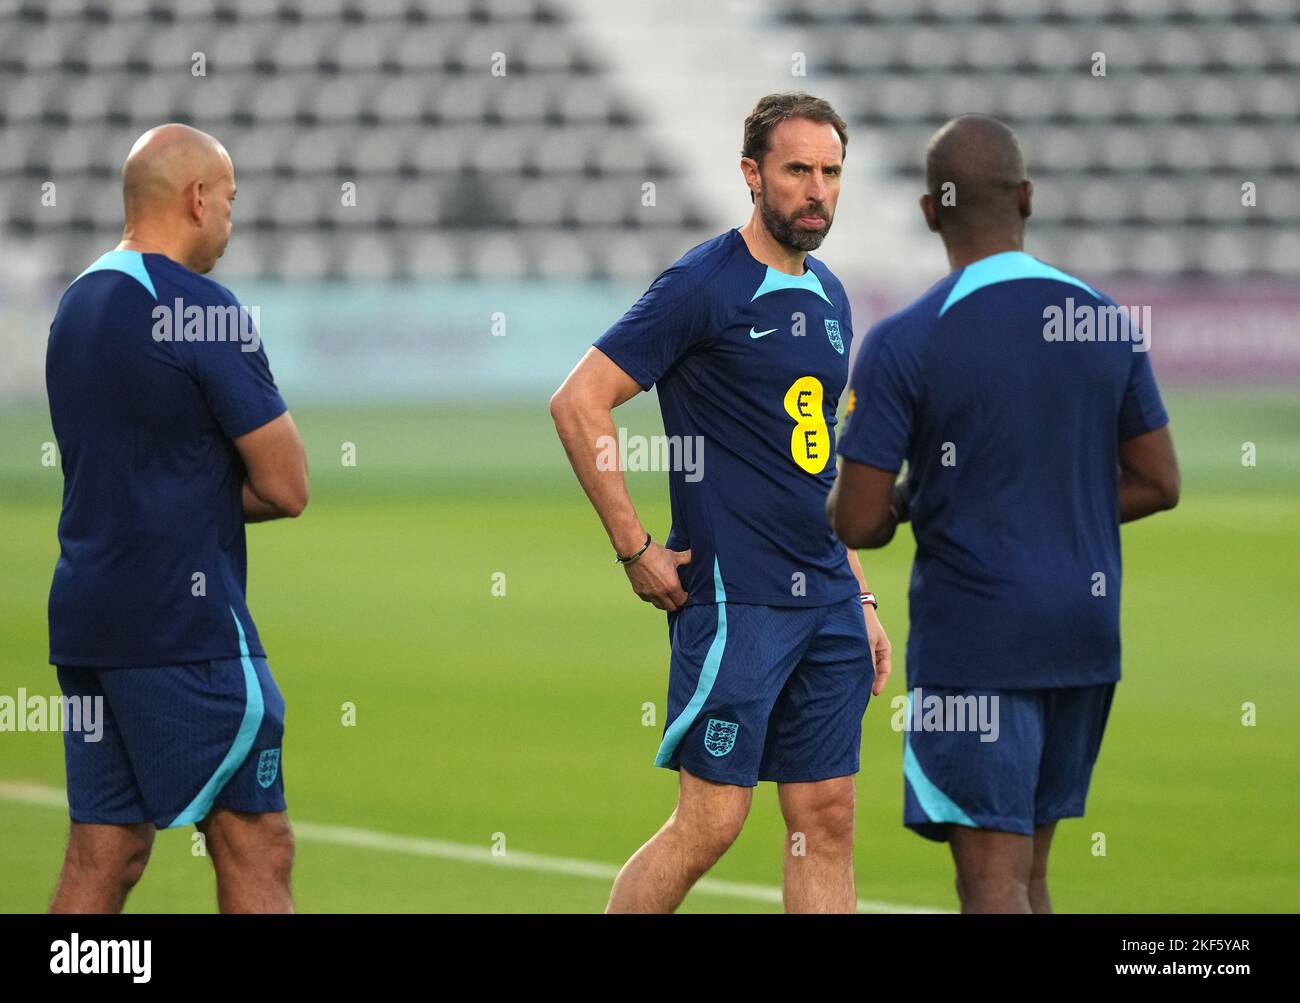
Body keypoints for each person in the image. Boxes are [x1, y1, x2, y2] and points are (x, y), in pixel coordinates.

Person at [828, 114, 1180, 913]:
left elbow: (856, 522)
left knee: (990, 882)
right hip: (1084, 638)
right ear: (1026, 197)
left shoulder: (906, 340)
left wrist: (928, 501)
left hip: (978, 640)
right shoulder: (1101, 318)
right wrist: (1057, 505)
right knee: (1032, 876)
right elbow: (1159, 481)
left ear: (929, 211)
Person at [551, 93, 891, 914]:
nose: (817, 189)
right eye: (798, 170)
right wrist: (634, 547)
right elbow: (579, 402)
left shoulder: (833, 298)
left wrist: (863, 594)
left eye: (831, 172)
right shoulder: (703, 284)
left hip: (828, 599)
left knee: (828, 818)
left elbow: (823, 469)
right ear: (752, 175)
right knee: (712, 822)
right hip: (739, 602)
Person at [45, 124, 307, 913]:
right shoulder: (204, 309)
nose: (230, 217)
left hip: (88, 619)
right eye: (229, 199)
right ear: (197, 199)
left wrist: (176, 486)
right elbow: (287, 485)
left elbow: (120, 471)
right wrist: (196, 493)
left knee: (106, 852)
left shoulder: (76, 303)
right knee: (256, 842)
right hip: (181, 624)